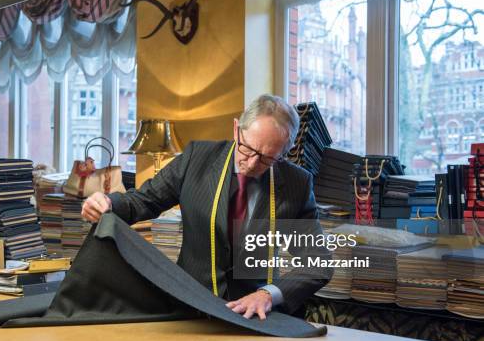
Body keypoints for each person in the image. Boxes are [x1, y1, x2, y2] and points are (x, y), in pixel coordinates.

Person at [82, 94, 332, 319]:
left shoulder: (296, 184)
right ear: (236, 129)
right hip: (188, 306)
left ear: (284, 153)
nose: (253, 163)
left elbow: (318, 262)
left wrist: (268, 295)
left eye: (268, 158)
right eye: (248, 149)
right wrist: (107, 204)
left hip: (255, 316)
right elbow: (144, 200)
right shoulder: (196, 158)